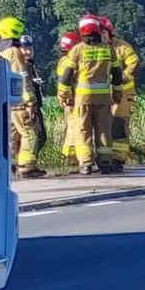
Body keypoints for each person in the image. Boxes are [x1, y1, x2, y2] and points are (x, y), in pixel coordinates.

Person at [58, 15, 122, 174]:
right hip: (103, 99)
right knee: (104, 130)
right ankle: (105, 161)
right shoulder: (109, 49)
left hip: (83, 99)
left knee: (83, 130)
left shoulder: (77, 50)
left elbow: (67, 76)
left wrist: (63, 94)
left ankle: (86, 163)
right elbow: (117, 74)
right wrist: (117, 92)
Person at [0, 18, 45, 178]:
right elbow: (22, 78)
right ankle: (27, 166)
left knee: (11, 137)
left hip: (7, 103)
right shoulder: (14, 52)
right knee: (30, 134)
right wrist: (30, 102)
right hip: (19, 103)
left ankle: (9, 166)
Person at [101, 17, 140, 169]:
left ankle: (118, 159)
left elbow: (134, 63)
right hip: (103, 95)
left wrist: (122, 77)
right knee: (103, 127)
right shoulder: (95, 49)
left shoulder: (121, 47)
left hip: (123, 95)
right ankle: (104, 159)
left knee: (119, 125)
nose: (101, 36)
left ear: (109, 33)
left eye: (103, 32)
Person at [56, 31, 81, 162]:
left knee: (73, 126)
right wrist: (69, 99)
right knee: (74, 127)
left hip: (70, 98)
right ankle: (71, 155)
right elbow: (66, 81)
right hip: (71, 99)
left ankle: (70, 155)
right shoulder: (68, 62)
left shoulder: (63, 61)